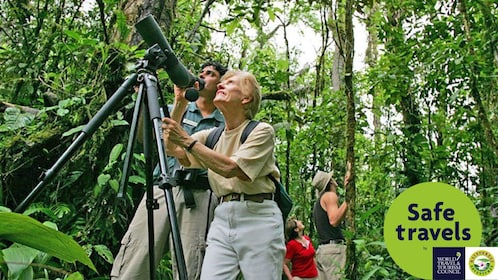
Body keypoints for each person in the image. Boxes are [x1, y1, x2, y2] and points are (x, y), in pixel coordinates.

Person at [162, 70, 286, 279]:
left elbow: (232, 169)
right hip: (222, 216)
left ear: (246, 98)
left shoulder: (261, 131)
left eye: (229, 82)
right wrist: (180, 103)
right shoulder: (212, 136)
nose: (221, 84)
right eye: (221, 82)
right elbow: (171, 148)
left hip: (258, 217)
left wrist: (187, 141)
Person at [110, 61, 228, 280]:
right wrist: (179, 103)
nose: (202, 77)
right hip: (162, 186)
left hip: (200, 194)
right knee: (136, 256)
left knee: (190, 264)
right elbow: (161, 142)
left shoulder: (225, 119)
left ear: (220, 83)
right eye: (200, 73)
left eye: (210, 74)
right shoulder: (181, 108)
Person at [312, 171, 348, 280]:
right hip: (334, 251)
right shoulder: (330, 196)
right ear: (331, 182)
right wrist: (348, 199)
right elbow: (334, 220)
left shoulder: (319, 202)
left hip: (323, 250)